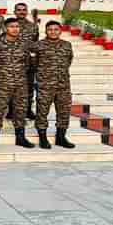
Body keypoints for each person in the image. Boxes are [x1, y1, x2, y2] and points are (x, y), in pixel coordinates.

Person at [0, 18, 35, 149]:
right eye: (11, 26)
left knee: (20, 111)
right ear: (5, 28)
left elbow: (27, 63)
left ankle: (20, 138)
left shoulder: (24, 44)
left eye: (17, 26)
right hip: (3, 83)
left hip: (20, 83)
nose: (15, 29)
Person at [33, 21, 75, 149]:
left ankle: (61, 137)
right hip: (45, 85)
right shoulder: (38, 45)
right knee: (42, 112)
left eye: (56, 29)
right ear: (45, 31)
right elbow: (33, 63)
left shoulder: (67, 45)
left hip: (63, 85)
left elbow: (69, 60)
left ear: (60, 31)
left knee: (64, 112)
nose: (53, 32)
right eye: (50, 29)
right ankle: (43, 138)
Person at [11, 2, 39, 121]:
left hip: (28, 63)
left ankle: (27, 110)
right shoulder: (8, 25)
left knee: (29, 87)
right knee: (12, 87)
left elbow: (35, 42)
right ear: (15, 12)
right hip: (12, 62)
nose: (21, 12)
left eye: (23, 10)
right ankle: (12, 110)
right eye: (19, 10)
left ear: (26, 11)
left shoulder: (33, 26)